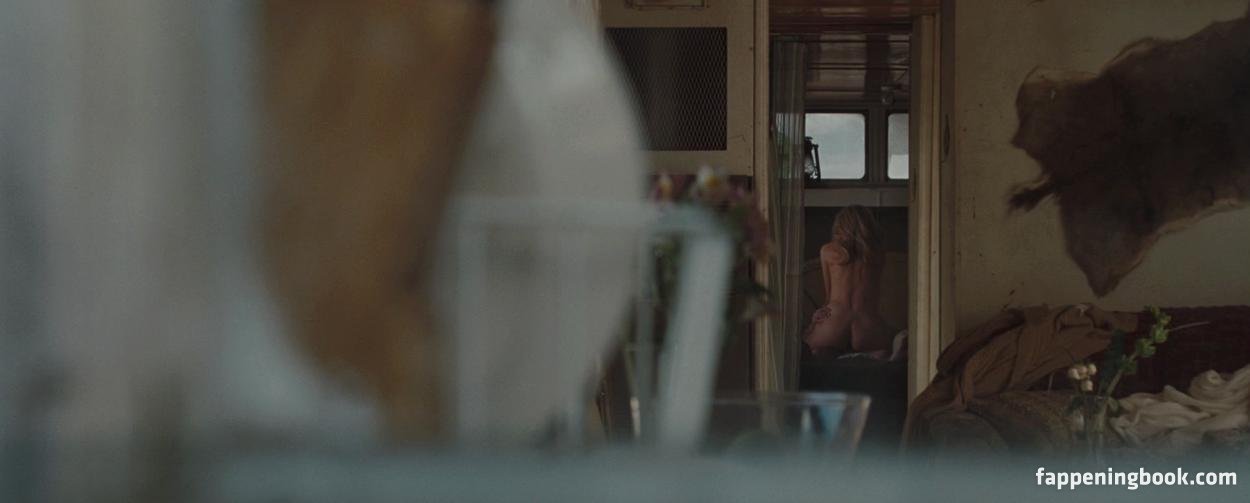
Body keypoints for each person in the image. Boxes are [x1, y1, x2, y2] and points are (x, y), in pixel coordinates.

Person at [804, 206, 895, 357]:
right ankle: (872, 355)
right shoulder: (878, 255)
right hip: (867, 326)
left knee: (805, 343)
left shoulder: (827, 251)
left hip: (835, 324)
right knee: (892, 340)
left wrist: (814, 323)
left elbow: (828, 299)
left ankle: (830, 353)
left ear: (840, 226)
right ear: (868, 226)